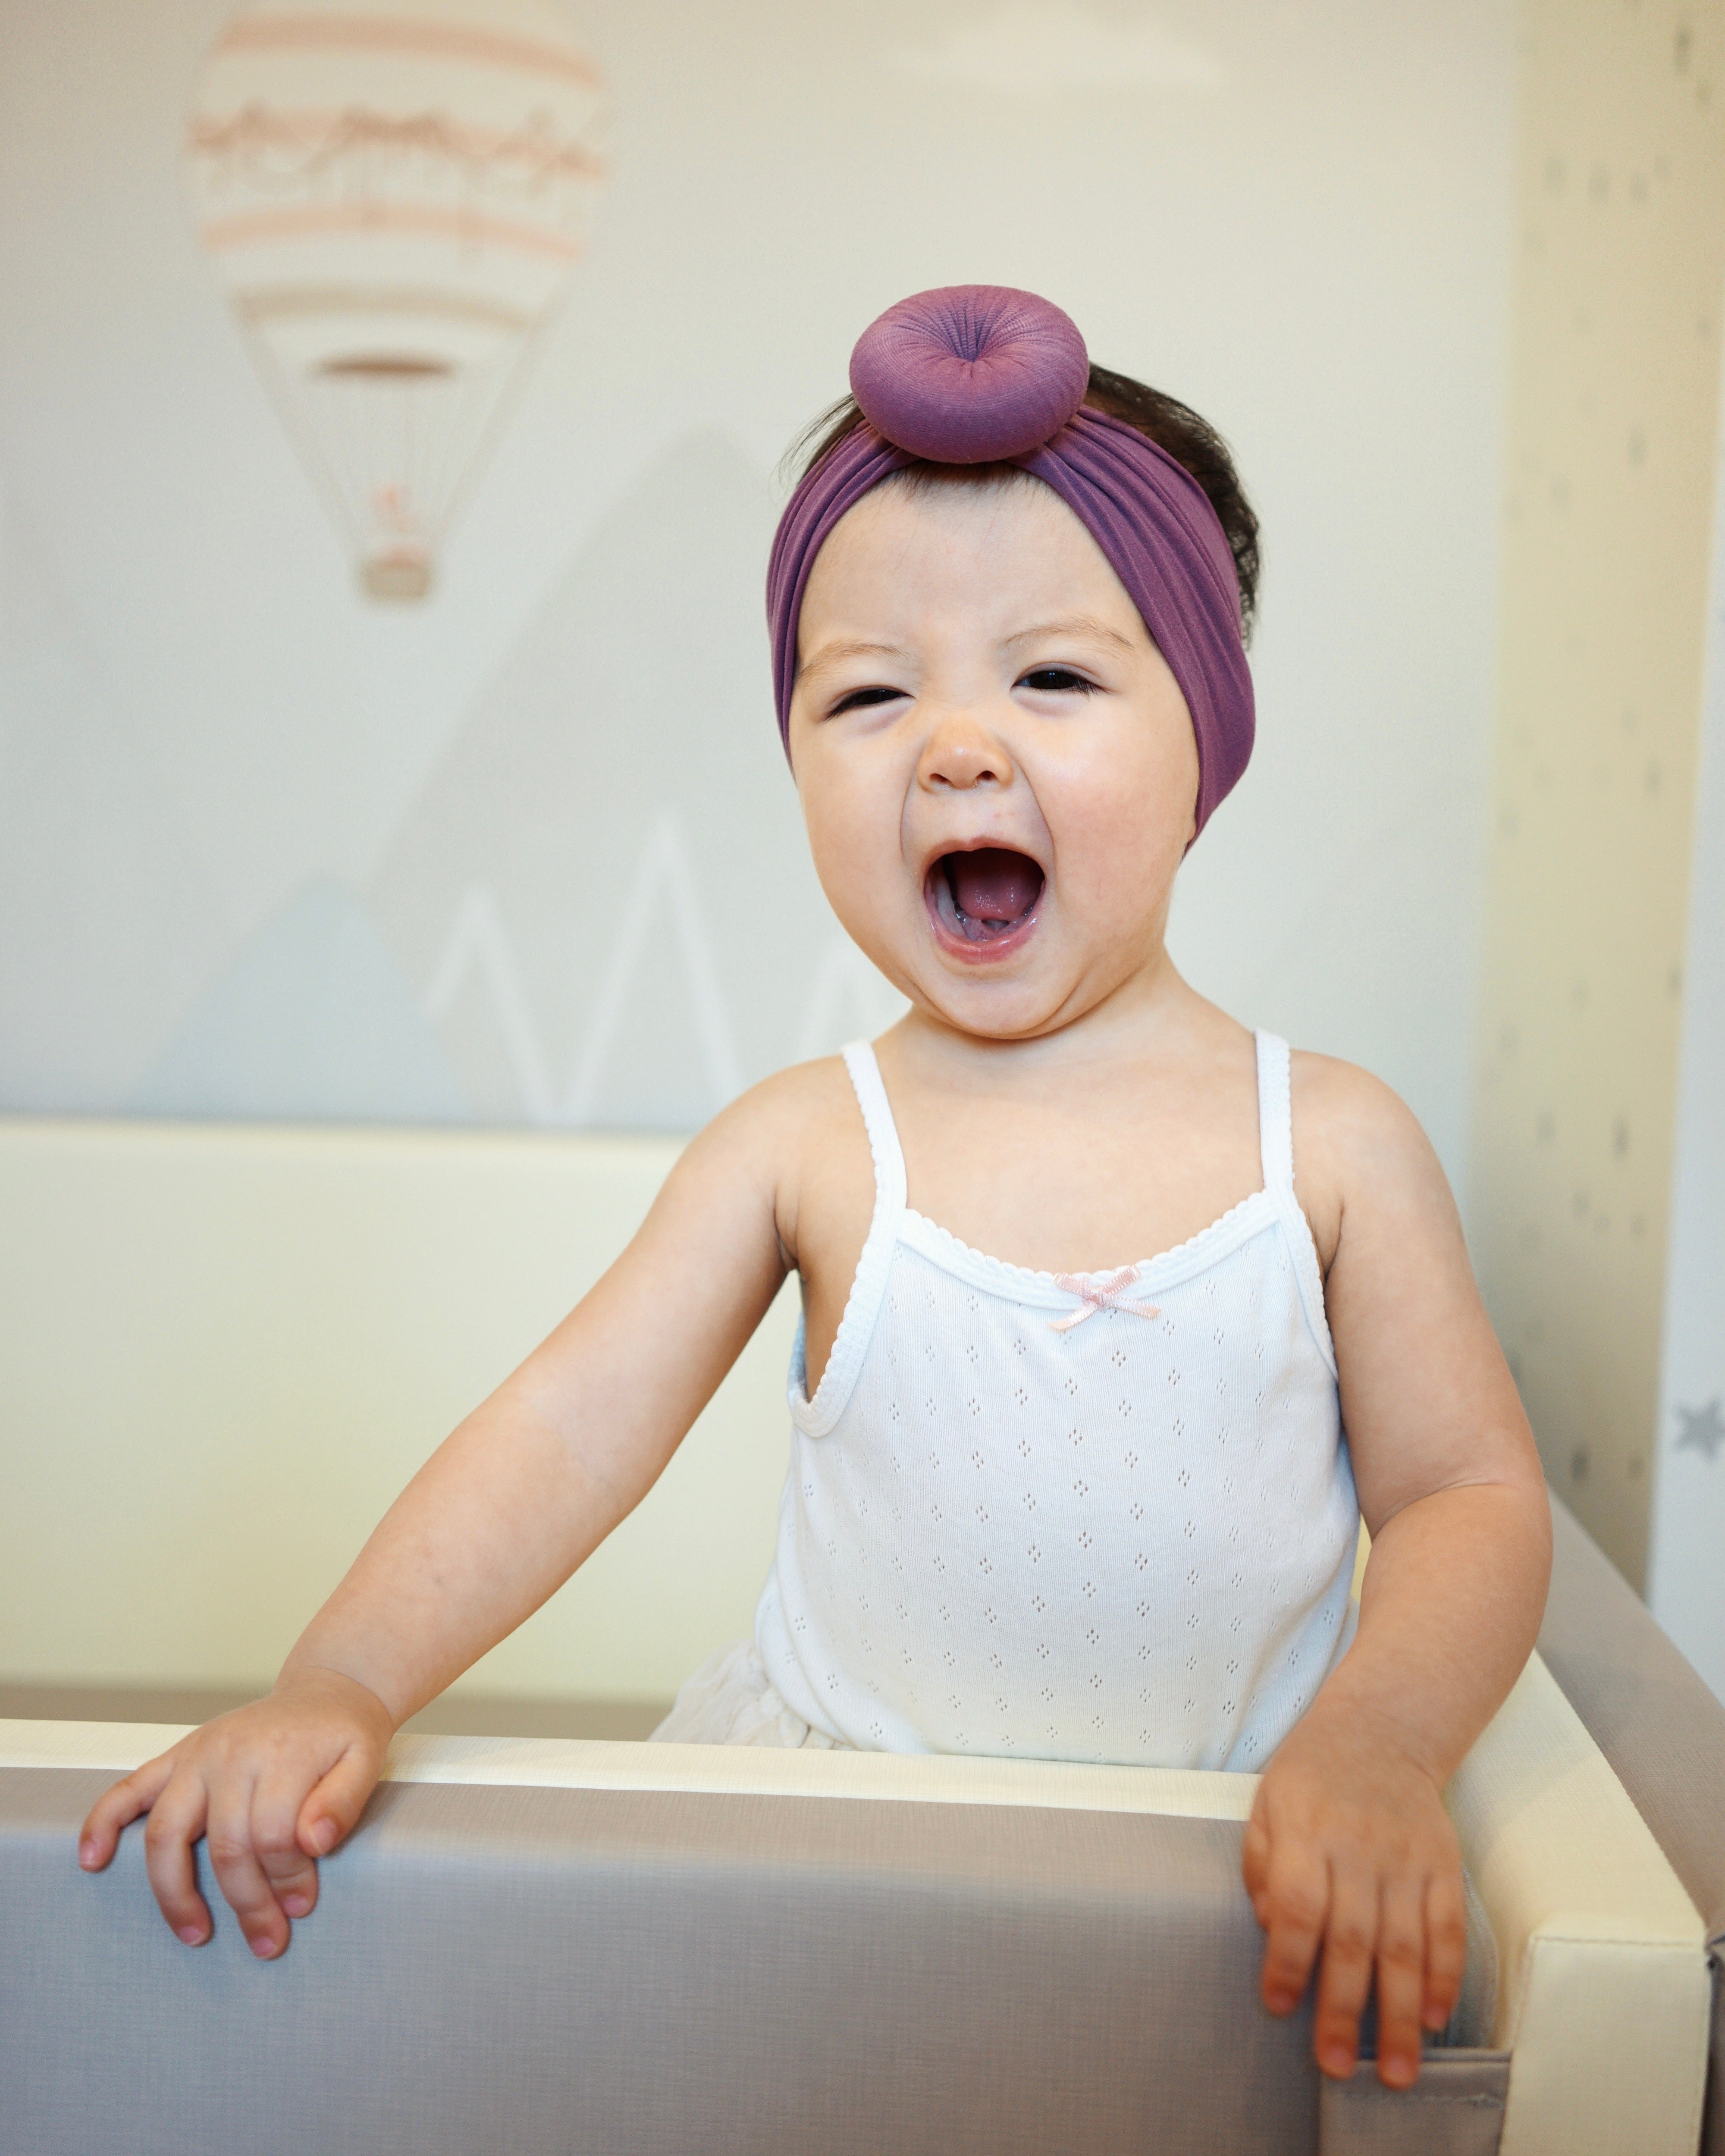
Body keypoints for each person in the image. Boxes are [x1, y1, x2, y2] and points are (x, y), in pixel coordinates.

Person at [79, 286, 1551, 2092]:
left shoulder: (1325, 1144)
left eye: (1054, 676)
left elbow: (1469, 1488)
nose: (951, 743)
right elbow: (562, 1430)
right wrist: (340, 1682)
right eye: (867, 692)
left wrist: (1383, 1744)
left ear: (1205, 748)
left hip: (1230, 1862)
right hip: (833, 1862)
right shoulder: (810, 1142)